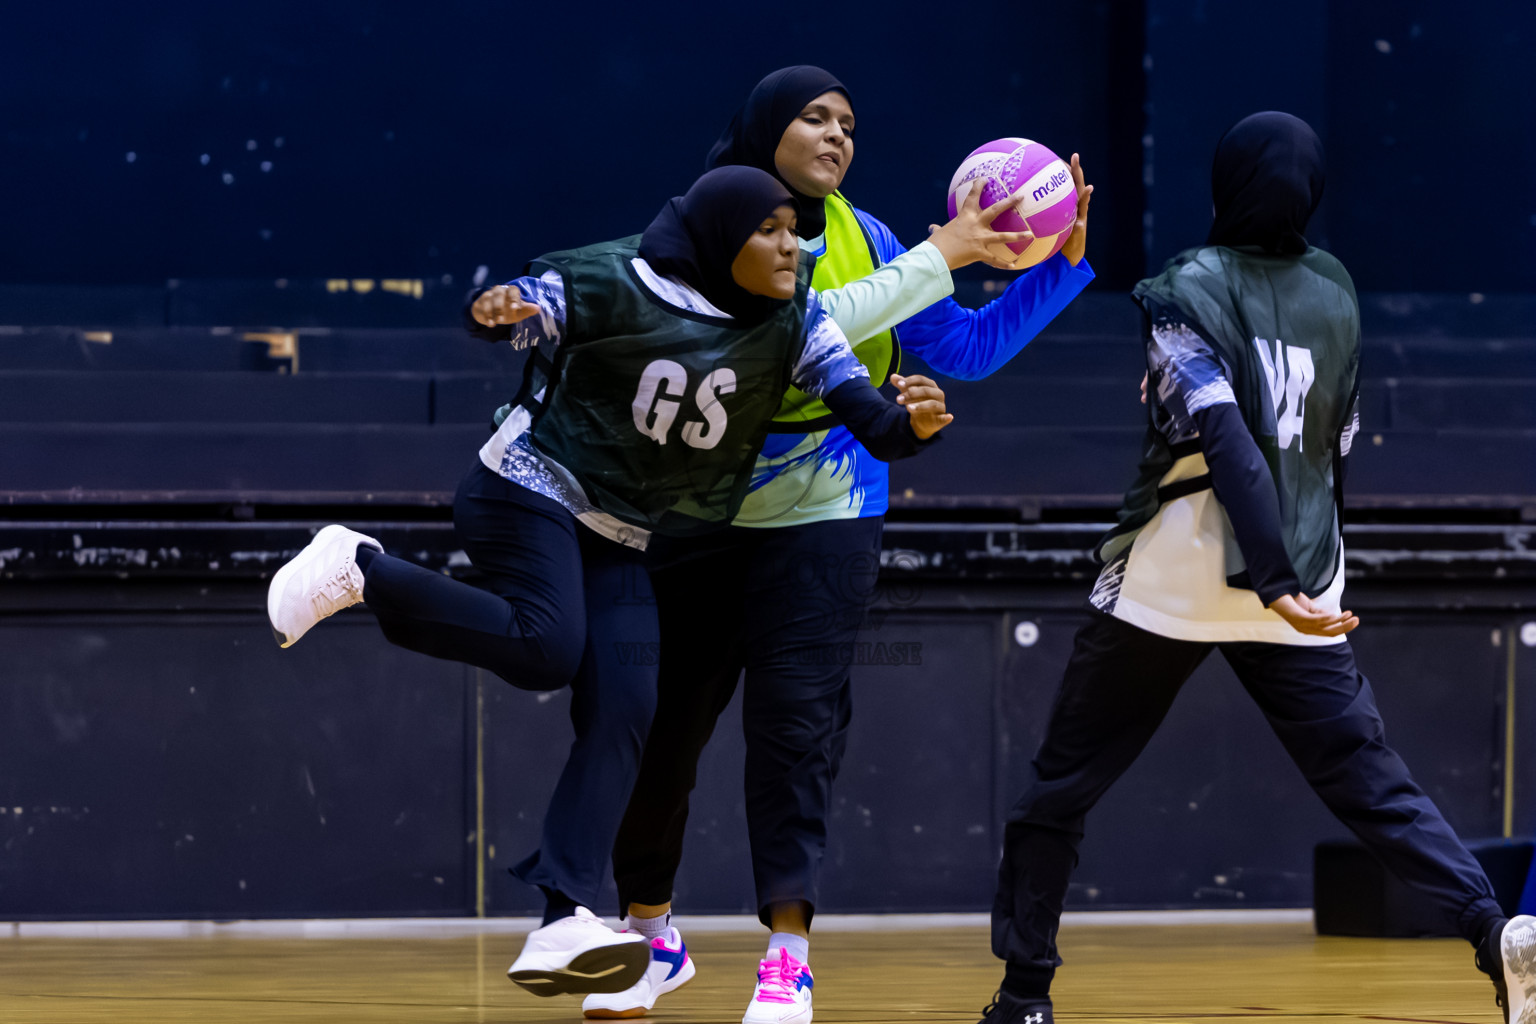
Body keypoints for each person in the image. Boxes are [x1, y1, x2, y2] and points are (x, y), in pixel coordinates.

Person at [265, 166, 954, 1001]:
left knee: (630, 707)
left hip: (621, 531)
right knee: (549, 647)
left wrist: (910, 424)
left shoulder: (799, 316)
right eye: (768, 230)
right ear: (717, 239)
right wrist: (501, 309)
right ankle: (362, 569)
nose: (790, 245)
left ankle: (563, 914)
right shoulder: (620, 277)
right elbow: (529, 300)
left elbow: (870, 419)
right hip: (529, 486)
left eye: (792, 231)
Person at [977, 111, 1534, 1024]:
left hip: (1180, 576)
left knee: (1059, 789)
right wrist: (1303, 577)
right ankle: (1493, 935)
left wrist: (1266, 570)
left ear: (1223, 183)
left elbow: (1224, 436)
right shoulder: (1338, 291)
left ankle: (1025, 994)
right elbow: (1334, 450)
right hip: (1306, 582)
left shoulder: (1182, 288)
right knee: (1372, 782)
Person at [593, 66, 1096, 1024]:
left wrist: (1061, 268)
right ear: (763, 130)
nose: (835, 136)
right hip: (696, 513)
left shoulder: (869, 237)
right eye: (813, 118)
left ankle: (788, 959)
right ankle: (649, 934)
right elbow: (792, 332)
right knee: (664, 736)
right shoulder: (698, 229)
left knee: (796, 738)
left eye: (849, 124)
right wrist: (941, 254)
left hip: (828, 516)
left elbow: (966, 350)